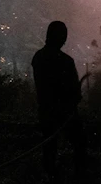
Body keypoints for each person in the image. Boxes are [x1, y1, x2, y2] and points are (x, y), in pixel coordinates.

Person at [32, 21, 86, 181]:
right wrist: (74, 99)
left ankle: (50, 175)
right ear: (62, 37)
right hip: (65, 111)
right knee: (79, 142)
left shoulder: (38, 57)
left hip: (46, 110)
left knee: (49, 146)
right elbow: (74, 91)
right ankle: (78, 175)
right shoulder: (66, 61)